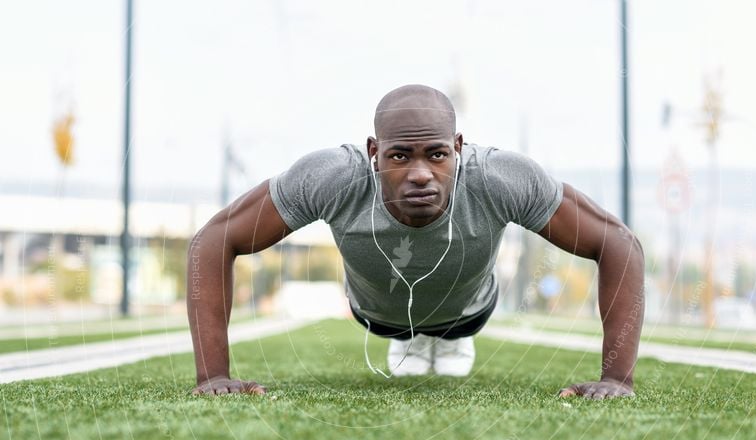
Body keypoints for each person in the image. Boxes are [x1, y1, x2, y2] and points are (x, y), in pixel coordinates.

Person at [187, 84, 644, 399]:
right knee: (400, 330)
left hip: (467, 313)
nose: (421, 173)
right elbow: (212, 241)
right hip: (378, 316)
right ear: (373, 152)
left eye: (437, 154)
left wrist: (617, 379)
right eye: (400, 156)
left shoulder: (501, 178)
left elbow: (619, 244)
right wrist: (214, 376)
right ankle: (410, 340)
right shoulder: (332, 178)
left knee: (450, 331)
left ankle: (443, 340)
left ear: (459, 147)